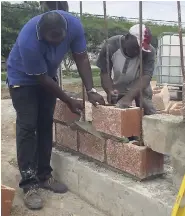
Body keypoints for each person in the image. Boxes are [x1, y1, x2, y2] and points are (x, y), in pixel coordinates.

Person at [7, 10, 105, 210]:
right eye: (49, 40)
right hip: (23, 80)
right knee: (28, 126)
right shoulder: (28, 39)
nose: (54, 44)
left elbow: (82, 58)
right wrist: (68, 100)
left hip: (47, 77)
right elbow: (40, 78)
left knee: (45, 124)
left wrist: (91, 89)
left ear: (65, 30)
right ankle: (29, 184)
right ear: (41, 34)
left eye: (58, 39)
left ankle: (44, 175)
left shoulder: (74, 26)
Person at [97, 24, 156, 115]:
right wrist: (109, 90)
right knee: (116, 113)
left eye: (141, 49)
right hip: (118, 84)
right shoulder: (110, 46)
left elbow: (146, 76)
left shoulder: (149, 51)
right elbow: (105, 72)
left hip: (139, 84)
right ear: (128, 37)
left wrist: (129, 97)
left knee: (147, 109)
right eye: (136, 47)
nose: (138, 51)